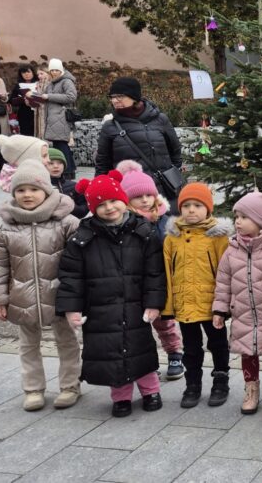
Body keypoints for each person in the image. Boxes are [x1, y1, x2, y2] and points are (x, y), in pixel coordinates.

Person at [56, 170, 166, 417]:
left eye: (113, 201)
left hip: (135, 305)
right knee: (110, 353)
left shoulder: (143, 232)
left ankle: (151, 391)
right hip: (100, 308)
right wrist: (72, 309)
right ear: (93, 208)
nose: (109, 208)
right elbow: (71, 277)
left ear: (123, 200)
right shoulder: (82, 238)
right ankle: (121, 397)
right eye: (101, 204)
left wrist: (154, 303)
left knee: (141, 349)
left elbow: (155, 273)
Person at [0, 161, 82, 411]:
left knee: (67, 342)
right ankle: (33, 389)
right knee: (28, 345)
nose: (27, 195)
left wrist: (79, 295)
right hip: (22, 298)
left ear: (47, 190)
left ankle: (70, 385)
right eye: (21, 190)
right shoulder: (4, 227)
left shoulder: (67, 222)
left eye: (34, 189)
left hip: (60, 296)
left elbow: (81, 263)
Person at [213, 191, 262, 415]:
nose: (238, 221)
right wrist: (220, 310)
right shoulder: (232, 249)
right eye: (236, 216)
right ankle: (251, 391)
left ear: (261, 221)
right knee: (248, 353)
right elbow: (223, 281)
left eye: (244, 217)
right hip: (243, 313)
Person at [162, 183, 232, 408]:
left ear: (208, 208)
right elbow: (167, 272)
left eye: (198, 205)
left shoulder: (218, 237)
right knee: (191, 348)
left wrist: (224, 305)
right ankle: (192, 384)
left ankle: (220, 381)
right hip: (184, 303)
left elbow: (226, 272)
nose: (191, 210)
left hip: (212, 303)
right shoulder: (172, 237)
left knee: (218, 344)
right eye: (186, 206)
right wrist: (168, 306)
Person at [116, 159, 183, 382]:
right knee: (138, 324)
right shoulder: (123, 222)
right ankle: (147, 361)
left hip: (159, 279)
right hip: (133, 281)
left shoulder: (165, 220)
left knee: (165, 322)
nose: (145, 200)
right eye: (138, 197)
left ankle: (174, 354)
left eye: (148, 195)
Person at [94, 77, 183, 208]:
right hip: (131, 193)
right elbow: (102, 163)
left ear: (134, 97)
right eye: (112, 97)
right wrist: (100, 190)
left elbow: (175, 150)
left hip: (164, 190)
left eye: (120, 96)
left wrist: (171, 173)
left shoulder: (160, 120)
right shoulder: (110, 127)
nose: (115, 100)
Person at [40, 59, 77, 177]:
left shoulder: (66, 81)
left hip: (61, 118)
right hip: (53, 118)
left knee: (61, 145)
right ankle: (70, 170)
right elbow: (47, 98)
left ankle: (66, 172)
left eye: (57, 70)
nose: (54, 72)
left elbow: (71, 97)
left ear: (61, 70)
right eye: (52, 70)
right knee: (59, 144)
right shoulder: (52, 83)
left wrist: (49, 96)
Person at [46, 149, 88, 219]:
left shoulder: (74, 186)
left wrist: (71, 207)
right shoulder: (38, 187)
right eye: (51, 163)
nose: (56, 166)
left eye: (60, 163)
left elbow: (83, 210)